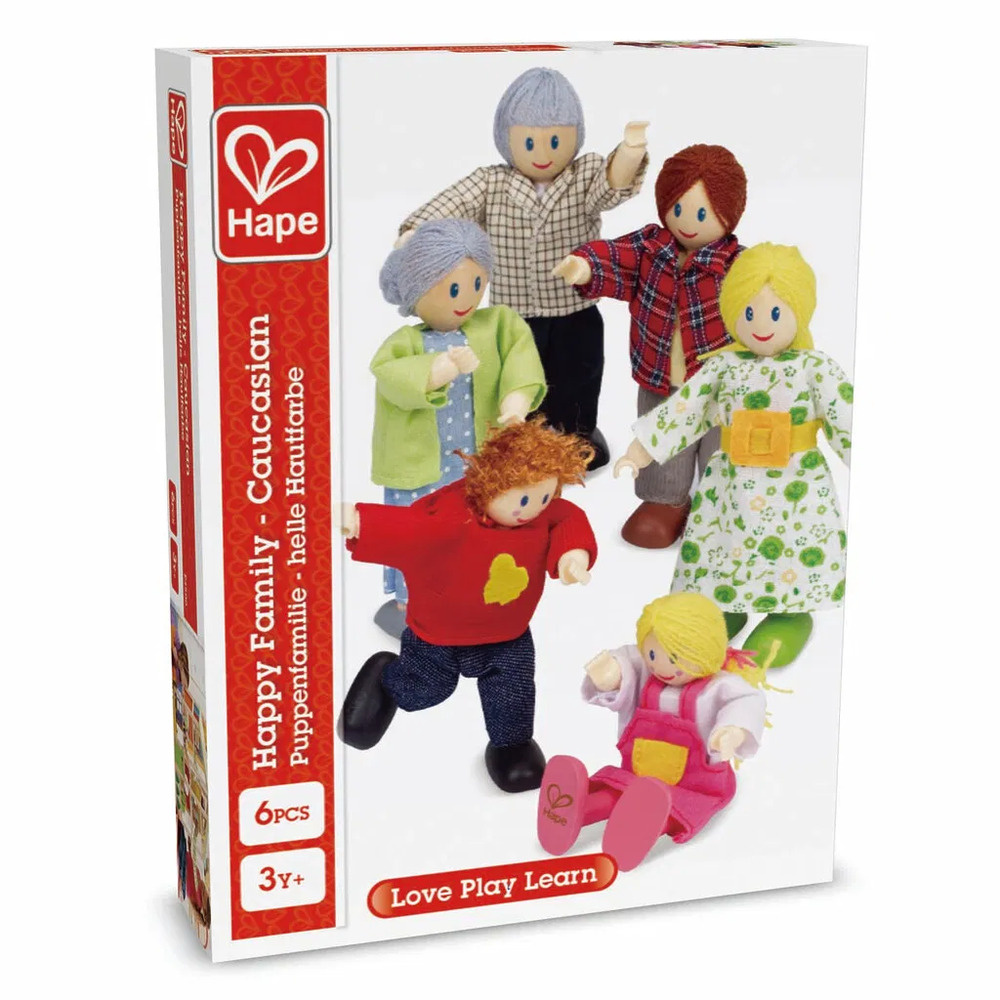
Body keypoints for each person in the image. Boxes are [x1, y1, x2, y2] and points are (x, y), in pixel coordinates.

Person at [614, 244, 852, 668]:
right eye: (749, 312)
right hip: (731, 488)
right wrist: (640, 451)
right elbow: (682, 410)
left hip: (795, 491)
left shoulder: (815, 369)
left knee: (790, 551)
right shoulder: (722, 368)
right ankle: (725, 606)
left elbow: (847, 417)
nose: (761, 325)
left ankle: (789, 615)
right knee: (724, 547)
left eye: (775, 313)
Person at [398, 67, 648, 469]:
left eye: (555, 140)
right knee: (518, 375)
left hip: (574, 307)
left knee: (579, 375)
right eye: (529, 141)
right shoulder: (492, 182)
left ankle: (577, 435)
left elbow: (612, 183)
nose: (542, 152)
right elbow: (454, 202)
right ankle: (524, 438)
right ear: (506, 138)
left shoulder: (582, 175)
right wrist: (416, 231)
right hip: (515, 314)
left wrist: (630, 151)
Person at [340, 419, 597, 793]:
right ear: (491, 486)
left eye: (544, 497)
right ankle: (385, 678)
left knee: (513, 692)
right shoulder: (447, 520)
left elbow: (568, 519)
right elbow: (406, 528)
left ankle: (512, 746)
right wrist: (358, 522)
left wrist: (573, 555)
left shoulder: (544, 515)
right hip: (438, 635)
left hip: (507, 635)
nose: (531, 511)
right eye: (524, 500)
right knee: (426, 688)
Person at [554, 144, 747, 547]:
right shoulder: (650, 249)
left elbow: (767, 298)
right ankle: (664, 500)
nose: (687, 223)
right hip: (661, 378)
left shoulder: (737, 265)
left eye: (702, 214)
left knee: (722, 446)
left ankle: (720, 506)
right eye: (677, 209)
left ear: (728, 213)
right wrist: (584, 265)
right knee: (662, 440)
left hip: (718, 385)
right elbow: (613, 256)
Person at [371, 219, 546, 638]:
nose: (467, 299)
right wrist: (440, 369)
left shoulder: (496, 324)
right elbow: (391, 377)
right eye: (453, 289)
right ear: (418, 289)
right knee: (419, 533)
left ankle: (472, 592)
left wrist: (516, 400)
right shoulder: (404, 343)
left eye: (477, 284)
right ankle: (411, 605)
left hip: (478, 461)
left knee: (477, 530)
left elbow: (520, 354)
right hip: (422, 467)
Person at [537, 593, 766, 871]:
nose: (662, 668)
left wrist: (733, 730)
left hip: (696, 786)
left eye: (676, 658)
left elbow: (746, 701)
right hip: (637, 775)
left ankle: (635, 830)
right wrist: (611, 673)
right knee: (619, 794)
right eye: (654, 655)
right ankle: (574, 810)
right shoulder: (646, 671)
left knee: (671, 808)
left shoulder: (719, 687)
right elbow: (626, 658)